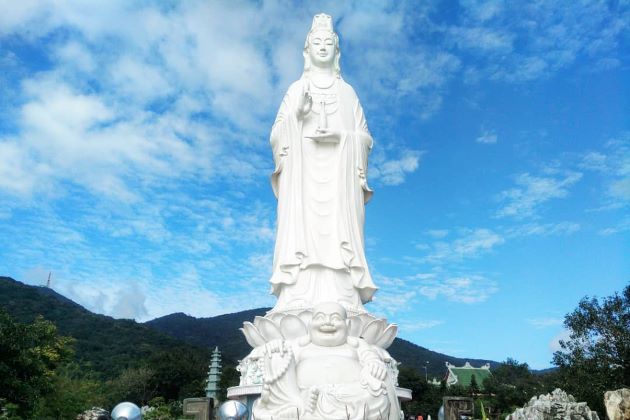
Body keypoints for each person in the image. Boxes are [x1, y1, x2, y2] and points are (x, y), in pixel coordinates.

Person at [269, 13, 376, 315]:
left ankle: (344, 298)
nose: (323, 46)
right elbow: (276, 135)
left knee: (338, 234)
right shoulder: (295, 90)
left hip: (338, 179)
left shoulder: (347, 92)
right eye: (317, 41)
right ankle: (297, 296)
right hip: (303, 177)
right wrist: (296, 116)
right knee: (302, 232)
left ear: (337, 50)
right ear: (307, 49)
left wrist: (342, 137)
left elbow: (365, 138)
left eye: (328, 41)